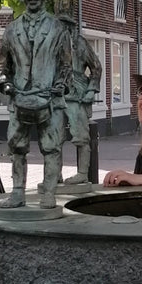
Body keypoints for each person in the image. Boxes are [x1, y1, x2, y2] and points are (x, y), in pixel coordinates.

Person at [0, 0, 70, 208]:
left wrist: (60, 85)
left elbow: (66, 65)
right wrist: (4, 84)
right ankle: (17, 192)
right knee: (16, 146)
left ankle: (48, 192)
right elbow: (2, 66)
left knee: (51, 146)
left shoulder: (58, 28)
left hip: (50, 99)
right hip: (19, 99)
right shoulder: (12, 29)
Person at [58, 13, 102, 184]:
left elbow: (96, 67)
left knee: (81, 135)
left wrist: (91, 90)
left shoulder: (80, 44)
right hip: (55, 93)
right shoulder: (50, 44)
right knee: (54, 136)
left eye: (65, 25)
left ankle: (83, 173)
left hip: (77, 94)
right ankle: (55, 174)